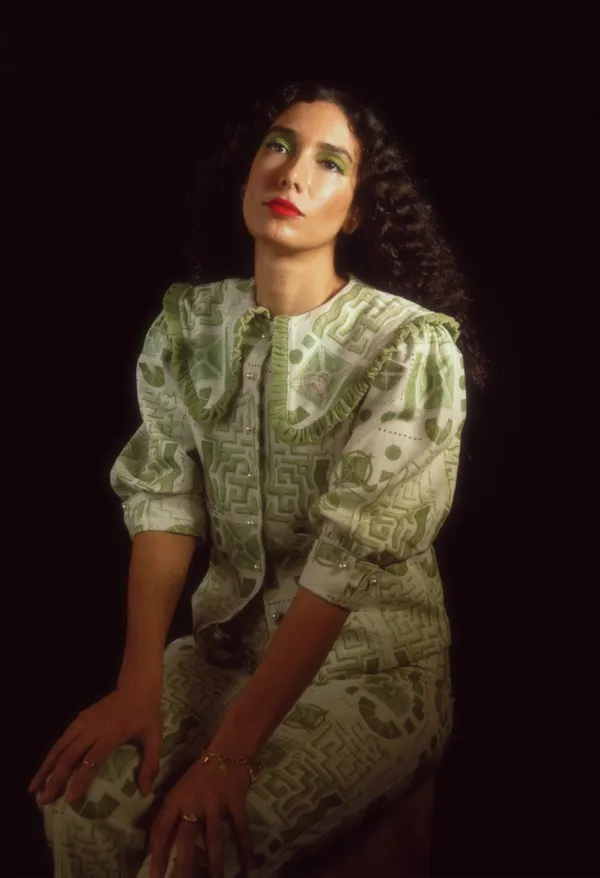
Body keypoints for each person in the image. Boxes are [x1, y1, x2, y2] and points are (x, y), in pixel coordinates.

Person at [30, 82, 484, 878]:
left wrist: (231, 754)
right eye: (278, 145)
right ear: (246, 174)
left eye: (330, 162)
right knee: (81, 811)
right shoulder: (189, 324)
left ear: (357, 212)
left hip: (372, 669)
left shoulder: (408, 348)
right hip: (223, 651)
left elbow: (347, 556)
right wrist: (137, 684)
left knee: (189, 857)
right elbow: (166, 497)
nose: (293, 173)